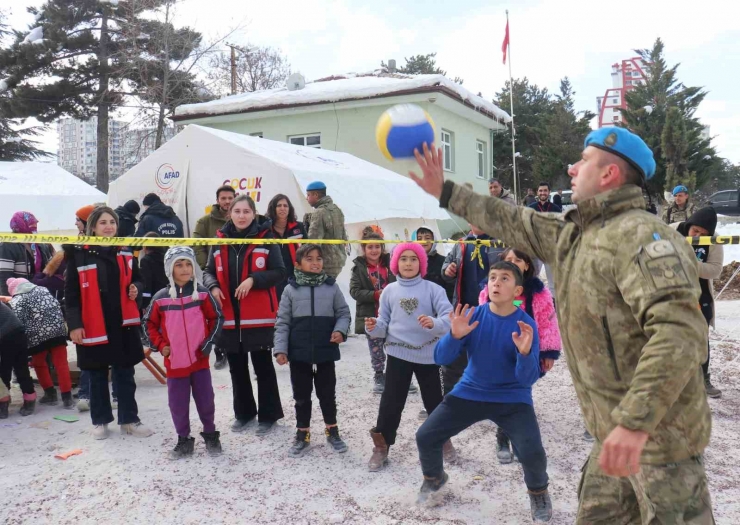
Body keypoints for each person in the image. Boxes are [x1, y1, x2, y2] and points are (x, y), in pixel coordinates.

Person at [409, 127, 713, 523]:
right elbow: (513, 219)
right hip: (610, 437)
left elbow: (678, 333)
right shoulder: (575, 233)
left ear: (608, 175)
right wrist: (446, 192)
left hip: (661, 442)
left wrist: (635, 423)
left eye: (583, 160)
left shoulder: (643, 237)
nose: (571, 169)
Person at [415, 262, 552, 521]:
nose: (496, 283)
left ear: (517, 290)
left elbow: (527, 379)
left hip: (512, 398)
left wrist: (524, 354)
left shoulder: (526, 325)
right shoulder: (474, 316)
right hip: (470, 392)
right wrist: (454, 336)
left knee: (531, 450)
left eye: (504, 279)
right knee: (426, 436)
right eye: (492, 278)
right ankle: (434, 479)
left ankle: (539, 493)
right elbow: (440, 358)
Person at [64, 206, 154, 440]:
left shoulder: (125, 250)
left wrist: (137, 288)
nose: (109, 227)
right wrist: (74, 324)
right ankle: (101, 421)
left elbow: (138, 279)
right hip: (93, 323)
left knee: (125, 373)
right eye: (103, 222)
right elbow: (70, 294)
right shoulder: (78, 253)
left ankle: (129, 419)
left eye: (112, 222)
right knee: (96, 375)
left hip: (122, 322)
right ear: (93, 227)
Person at [365, 242, 454, 472]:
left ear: (421, 263)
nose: (408, 263)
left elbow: (449, 317)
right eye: (403, 258)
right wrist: (374, 326)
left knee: (435, 401)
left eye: (414, 259)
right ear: (395, 263)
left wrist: (434, 323)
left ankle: (442, 440)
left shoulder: (434, 289)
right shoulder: (389, 291)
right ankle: (382, 447)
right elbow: (383, 323)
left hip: (427, 354)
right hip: (398, 353)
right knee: (391, 402)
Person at [204, 195, 286, 435]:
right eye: (237, 211)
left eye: (246, 211)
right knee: (236, 368)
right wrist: (213, 286)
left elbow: (280, 272)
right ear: (230, 214)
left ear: (254, 213)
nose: (241, 216)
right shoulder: (219, 240)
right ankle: (244, 413)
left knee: (263, 367)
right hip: (229, 317)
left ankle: (269, 415)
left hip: (258, 316)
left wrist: (253, 279)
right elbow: (208, 271)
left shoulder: (267, 238)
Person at [478, 248, 562, 464]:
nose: (513, 262)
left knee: (521, 394)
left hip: (526, 354)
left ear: (527, 264)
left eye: (518, 259)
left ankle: (517, 438)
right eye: (508, 259)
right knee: (505, 395)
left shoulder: (539, 293)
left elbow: (547, 323)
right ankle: (504, 438)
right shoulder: (489, 290)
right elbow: (484, 319)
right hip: (499, 353)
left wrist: (548, 351)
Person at [145, 247, 225, 458]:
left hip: (199, 361)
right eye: (179, 265)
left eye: (188, 264)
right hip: (175, 363)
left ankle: (210, 434)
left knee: (206, 400)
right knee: (178, 404)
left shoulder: (202, 294)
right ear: (169, 269)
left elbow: (217, 318)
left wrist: (208, 344)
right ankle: (184, 440)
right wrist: (161, 346)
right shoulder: (161, 298)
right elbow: (148, 324)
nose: (184, 269)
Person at [274, 244, 352, 456]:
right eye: (309, 259)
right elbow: (282, 322)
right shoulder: (290, 290)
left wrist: (340, 331)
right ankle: (303, 433)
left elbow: (344, 313)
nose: (316, 262)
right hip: (299, 353)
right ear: (298, 264)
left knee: (327, 394)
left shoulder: (332, 287)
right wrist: (281, 349)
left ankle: (332, 430)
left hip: (326, 350)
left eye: (319, 258)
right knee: (301, 395)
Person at [439, 224, 499, 396]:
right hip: (463, 308)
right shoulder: (461, 244)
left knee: (491, 355)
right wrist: (448, 270)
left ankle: (493, 399)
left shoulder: (500, 243)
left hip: (491, 311)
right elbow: (445, 269)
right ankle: (450, 397)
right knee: (455, 356)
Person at [674, 207, 724, 399]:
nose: (697, 236)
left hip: (699, 291)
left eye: (703, 234)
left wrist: (688, 263)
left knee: (700, 336)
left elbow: (715, 270)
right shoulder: (671, 230)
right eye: (695, 231)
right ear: (689, 225)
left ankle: (703, 378)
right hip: (669, 290)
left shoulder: (714, 240)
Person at [7, 278, 72, 409]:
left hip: (37, 338)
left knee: (39, 364)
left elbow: (18, 322)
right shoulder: (43, 290)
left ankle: (50, 393)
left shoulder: (18, 299)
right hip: (57, 332)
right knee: (61, 364)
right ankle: (67, 397)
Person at [350, 231, 398, 394]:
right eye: (370, 247)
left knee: (394, 344)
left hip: (391, 314)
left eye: (377, 246)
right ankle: (379, 375)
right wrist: (375, 295)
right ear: (364, 249)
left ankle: (397, 376)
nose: (374, 250)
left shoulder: (391, 265)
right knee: (376, 347)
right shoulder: (358, 268)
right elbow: (355, 291)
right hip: (371, 315)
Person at [0, 211, 55, 295]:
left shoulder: (41, 244)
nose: (34, 226)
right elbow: (4, 277)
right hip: (18, 297)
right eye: (31, 224)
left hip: (41, 295)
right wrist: (9, 302)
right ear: (20, 224)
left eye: (35, 223)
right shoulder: (8, 245)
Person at [266, 193, 307, 302]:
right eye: (279, 205)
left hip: (295, 274)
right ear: (273, 208)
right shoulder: (266, 229)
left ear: (290, 209)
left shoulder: (299, 227)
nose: (282, 208)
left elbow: (307, 249)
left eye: (285, 205)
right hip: (274, 274)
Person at [0, 301, 36, 417]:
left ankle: (3, 404)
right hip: (18, 332)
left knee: (4, 370)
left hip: (7, 336)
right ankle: (29, 399)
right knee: (21, 368)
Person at [305, 181, 347, 278]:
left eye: (308, 195)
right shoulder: (337, 210)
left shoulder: (319, 212)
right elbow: (344, 236)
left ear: (316, 195)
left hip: (324, 263)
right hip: (338, 260)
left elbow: (313, 242)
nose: (306, 198)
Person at [528, 182, 561, 298]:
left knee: (552, 280)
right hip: (535, 249)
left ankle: (553, 306)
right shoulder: (531, 208)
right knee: (532, 278)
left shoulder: (555, 208)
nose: (543, 193)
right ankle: (532, 303)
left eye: (545, 190)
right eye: (540, 190)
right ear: (537, 192)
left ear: (549, 192)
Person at [193, 185, 235, 270]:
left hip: (237, 269)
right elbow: (198, 246)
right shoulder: (204, 222)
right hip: (214, 270)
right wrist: (206, 267)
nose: (227, 201)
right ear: (217, 201)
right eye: (223, 198)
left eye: (230, 198)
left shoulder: (242, 220)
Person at [415, 227, 454, 303]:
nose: (423, 241)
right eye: (419, 239)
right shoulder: (414, 262)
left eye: (427, 238)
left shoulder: (444, 261)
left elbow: (450, 288)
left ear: (434, 240)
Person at [139, 232, 168, 312]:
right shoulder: (166, 258)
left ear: (145, 246)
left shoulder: (145, 260)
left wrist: (145, 304)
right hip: (168, 297)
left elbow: (146, 284)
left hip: (154, 299)